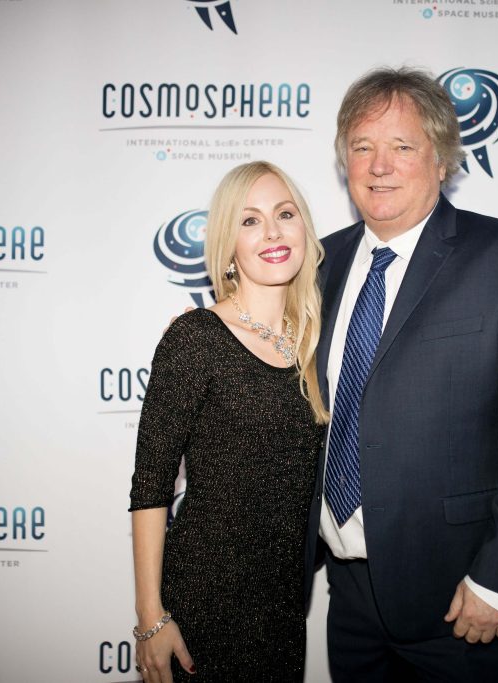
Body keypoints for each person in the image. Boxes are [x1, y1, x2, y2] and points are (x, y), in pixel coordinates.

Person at [306, 67, 498, 681]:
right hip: (349, 601)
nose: (379, 166)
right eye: (362, 147)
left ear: (441, 159)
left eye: (402, 146)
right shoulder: (319, 264)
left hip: (462, 602)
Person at [129, 161, 328, 682]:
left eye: (285, 214)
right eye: (250, 220)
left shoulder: (315, 345)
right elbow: (150, 485)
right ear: (228, 245)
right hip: (203, 603)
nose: (272, 232)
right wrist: (151, 617)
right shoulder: (196, 338)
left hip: (282, 610)